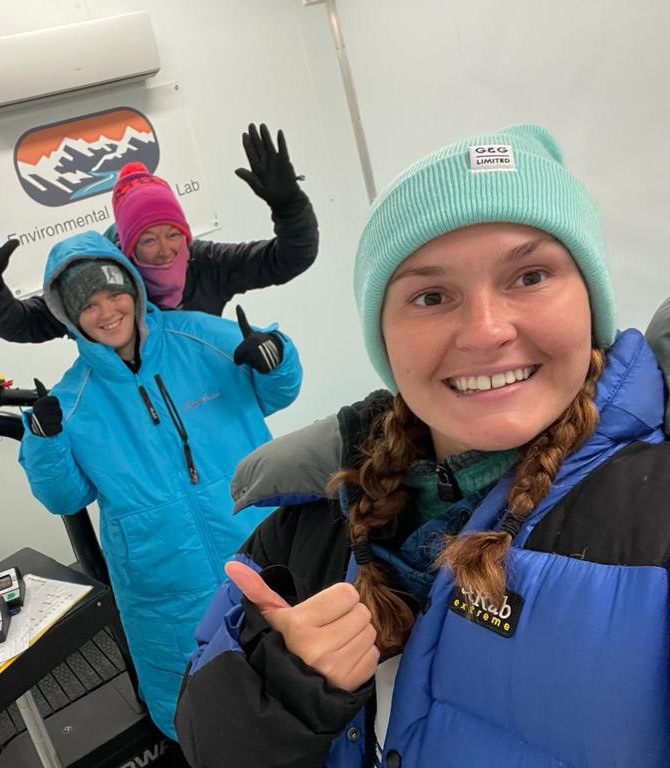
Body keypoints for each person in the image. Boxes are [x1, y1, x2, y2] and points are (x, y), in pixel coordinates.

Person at [174, 124, 670, 767]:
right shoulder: (311, 520)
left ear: (591, 299)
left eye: (529, 276)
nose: (487, 331)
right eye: (431, 296)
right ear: (383, 337)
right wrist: (287, 689)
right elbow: (209, 745)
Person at [17, 230, 302, 739]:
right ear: (68, 317)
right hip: (165, 582)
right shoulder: (73, 398)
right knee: (208, 714)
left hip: (260, 541)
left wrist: (276, 357)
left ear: (135, 290)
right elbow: (65, 496)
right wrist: (45, 442)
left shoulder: (201, 336)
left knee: (305, 675)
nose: (106, 312)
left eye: (114, 294)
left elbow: (278, 392)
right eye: (88, 305)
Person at [0, 124, 318, 341]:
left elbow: (289, 258)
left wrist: (289, 206)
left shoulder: (206, 262)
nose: (165, 250)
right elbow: (21, 323)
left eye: (173, 234)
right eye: (148, 239)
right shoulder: (97, 281)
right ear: (127, 244)